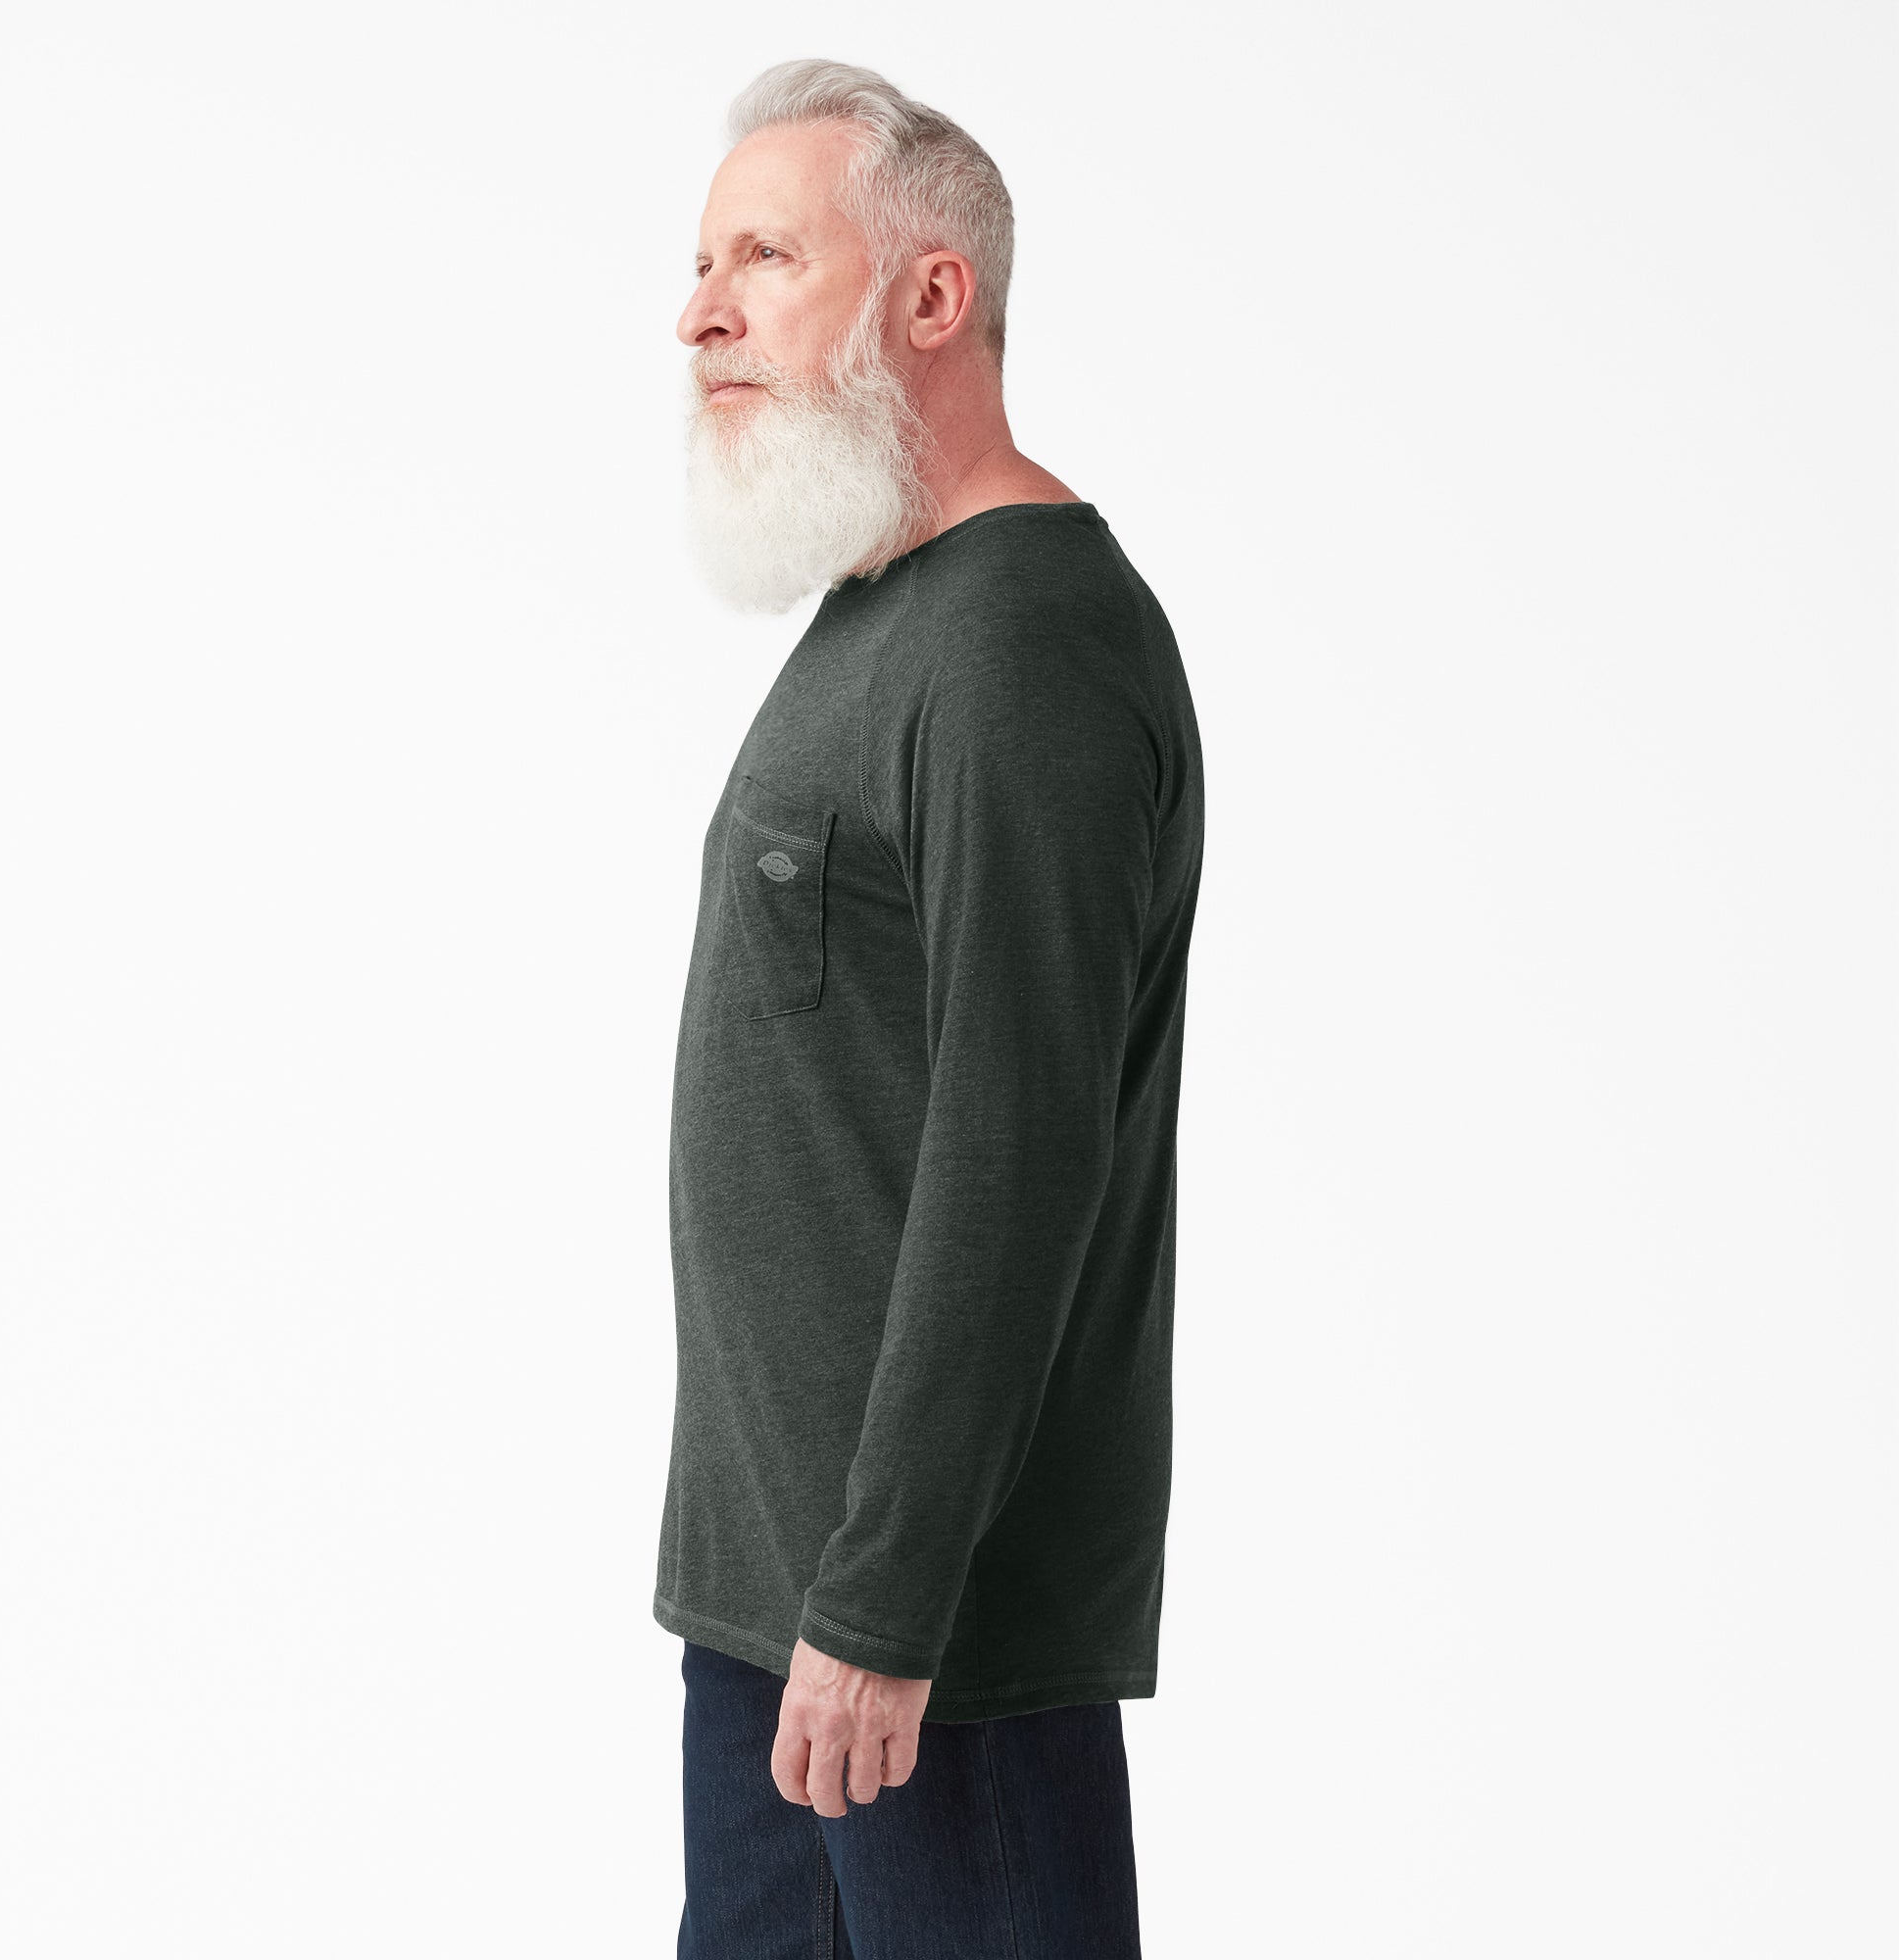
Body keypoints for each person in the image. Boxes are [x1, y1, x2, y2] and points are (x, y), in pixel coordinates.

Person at [657, 56, 1205, 1959]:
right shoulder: (885, 608)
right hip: (778, 1599)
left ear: (930, 296)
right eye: (700, 262)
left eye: (764, 255)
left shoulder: (1019, 645)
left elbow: (1017, 1157)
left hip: (921, 1647)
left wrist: (884, 1609)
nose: (700, 311)